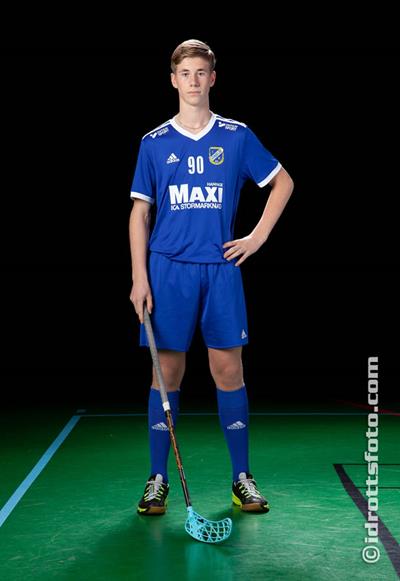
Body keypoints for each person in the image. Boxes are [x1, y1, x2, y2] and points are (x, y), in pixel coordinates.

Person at [129, 39, 294, 516]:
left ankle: (242, 478)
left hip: (220, 271)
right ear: (173, 80)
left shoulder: (236, 136)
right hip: (167, 271)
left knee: (229, 371)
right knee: (167, 375)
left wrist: (257, 237)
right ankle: (157, 478)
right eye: (186, 73)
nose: (194, 81)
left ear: (213, 78)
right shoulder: (154, 142)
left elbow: (283, 182)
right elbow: (139, 214)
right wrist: (139, 277)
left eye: (202, 72)